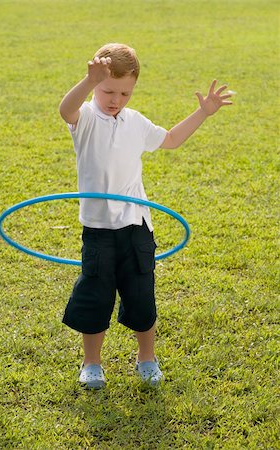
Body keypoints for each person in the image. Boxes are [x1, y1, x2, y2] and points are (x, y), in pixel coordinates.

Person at [59, 43, 232, 389]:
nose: (115, 99)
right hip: (98, 230)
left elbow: (169, 140)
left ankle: (146, 358)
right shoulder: (88, 119)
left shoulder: (134, 122)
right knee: (96, 295)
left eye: (124, 92)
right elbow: (66, 110)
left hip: (137, 226)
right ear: (95, 86)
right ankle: (91, 363)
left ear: (134, 89)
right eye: (107, 90)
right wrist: (87, 80)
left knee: (141, 295)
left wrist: (203, 113)